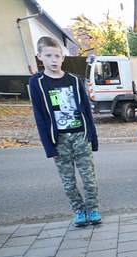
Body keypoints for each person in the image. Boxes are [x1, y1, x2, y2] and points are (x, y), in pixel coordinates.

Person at [29, 36, 101, 227]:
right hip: (59, 139)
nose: (53, 60)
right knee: (68, 181)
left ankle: (93, 208)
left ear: (62, 58)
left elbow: (86, 111)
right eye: (48, 55)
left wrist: (92, 139)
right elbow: (40, 116)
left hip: (80, 135)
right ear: (39, 57)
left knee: (89, 178)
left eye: (57, 56)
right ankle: (79, 210)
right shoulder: (37, 82)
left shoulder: (75, 81)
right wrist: (49, 148)